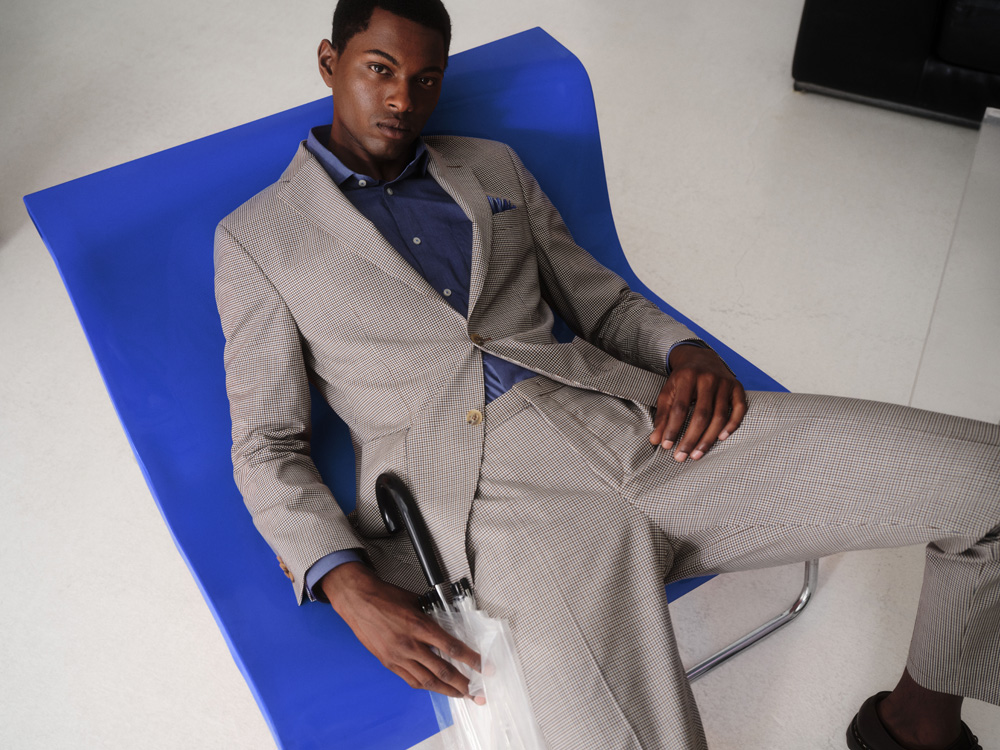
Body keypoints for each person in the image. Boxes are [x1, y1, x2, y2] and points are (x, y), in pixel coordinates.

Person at [213, 1, 1000, 747]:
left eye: (425, 79)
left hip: (639, 424)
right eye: (379, 70)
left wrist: (685, 351)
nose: (402, 99)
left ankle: (914, 730)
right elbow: (266, 445)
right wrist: (346, 583)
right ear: (330, 61)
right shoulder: (257, 240)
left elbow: (603, 302)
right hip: (497, 507)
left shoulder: (490, 166)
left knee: (987, 482)